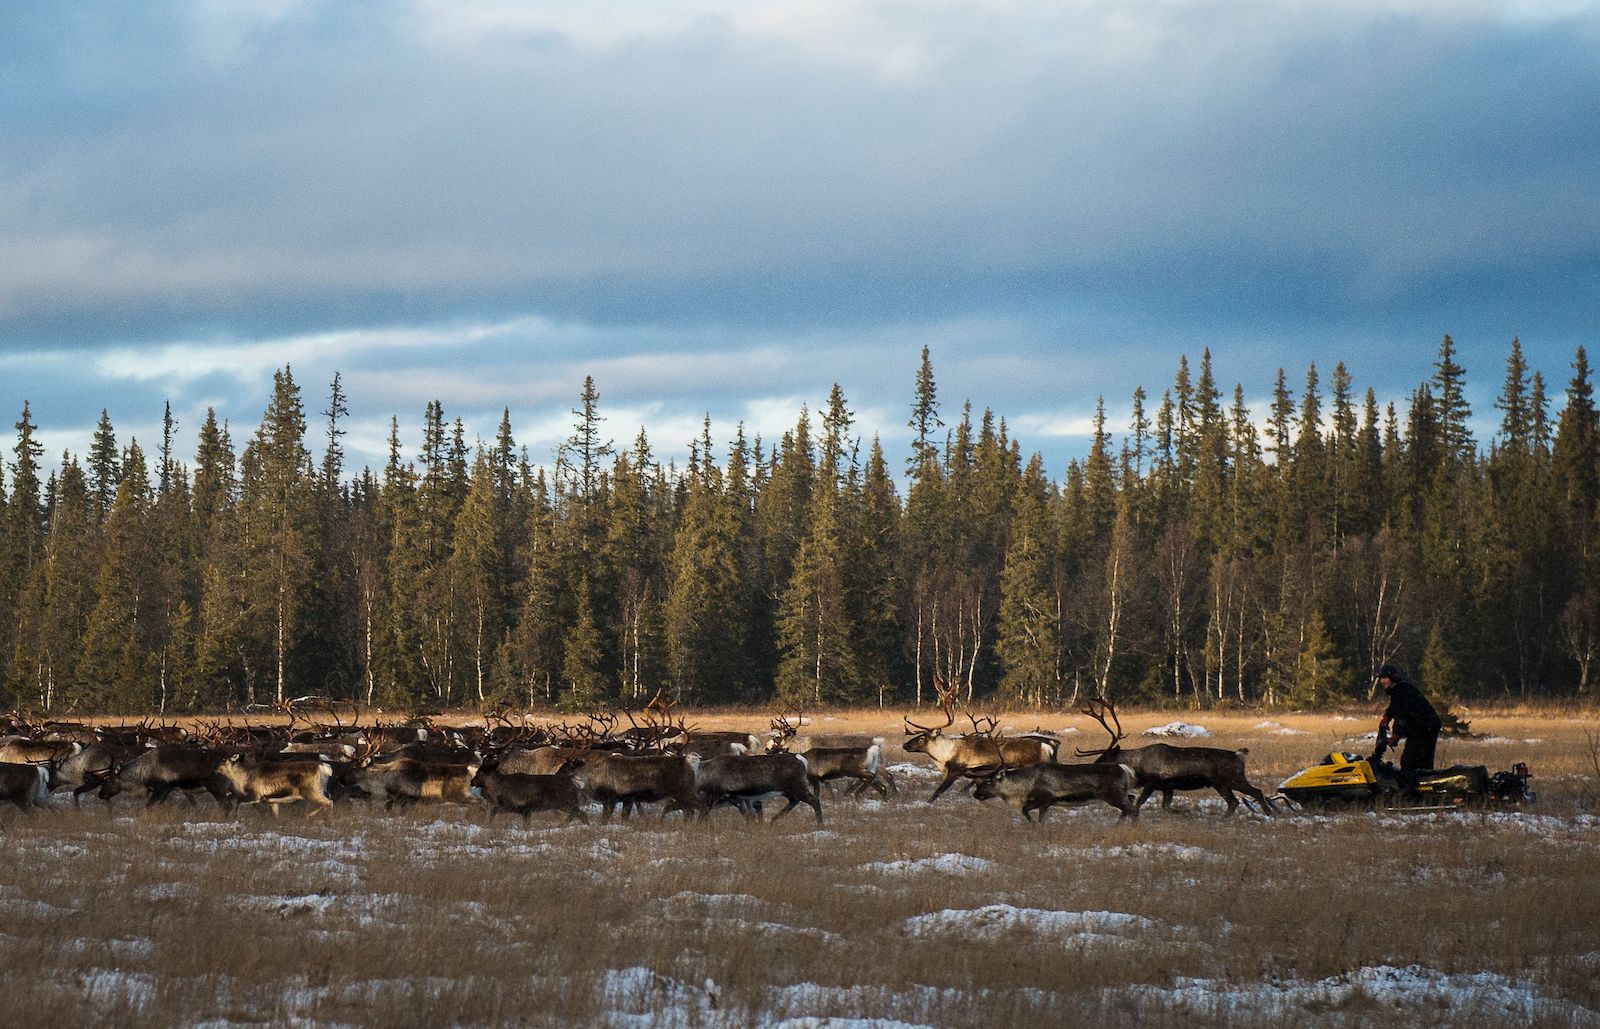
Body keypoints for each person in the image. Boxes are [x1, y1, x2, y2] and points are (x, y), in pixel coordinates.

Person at [1376, 663, 1441, 772]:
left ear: (1392, 677)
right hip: (1422, 728)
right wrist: (1387, 717)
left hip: (1425, 728)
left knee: (1413, 761)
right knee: (1413, 760)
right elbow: (1394, 707)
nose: (1382, 681)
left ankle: (1421, 785)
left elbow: (1403, 716)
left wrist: (1396, 735)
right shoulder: (1399, 688)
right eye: (1381, 678)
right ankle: (1419, 781)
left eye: (1384, 678)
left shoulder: (1401, 689)